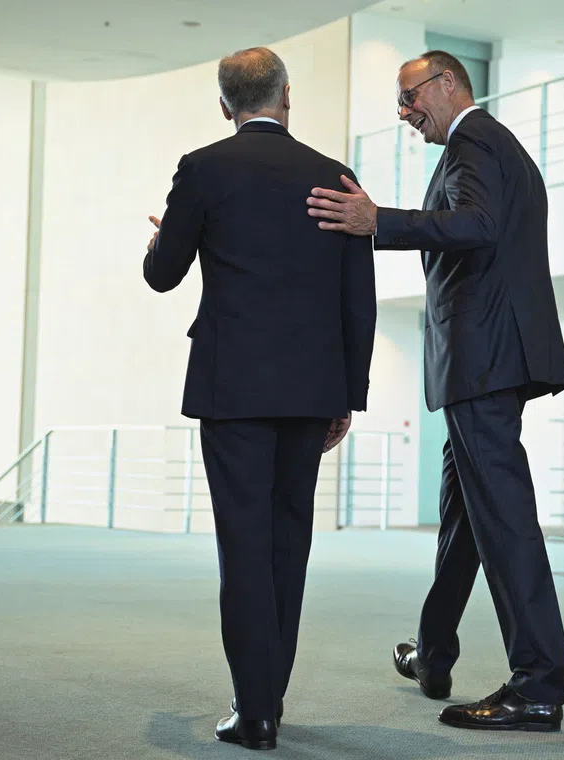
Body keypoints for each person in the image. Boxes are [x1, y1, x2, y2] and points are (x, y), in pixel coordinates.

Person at [306, 50, 564, 732]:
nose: (404, 112)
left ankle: (537, 685)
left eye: (410, 96)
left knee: (504, 521)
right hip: (482, 364)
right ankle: (433, 652)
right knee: (465, 521)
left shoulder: (474, 140)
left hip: (483, 363)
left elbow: (477, 227)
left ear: (447, 83)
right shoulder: (481, 145)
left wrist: (378, 221)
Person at [145, 47, 376, 751]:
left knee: (243, 548)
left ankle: (257, 714)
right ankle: (270, 693)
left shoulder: (204, 167)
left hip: (234, 388)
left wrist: (166, 238)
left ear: (225, 105)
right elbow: (355, 298)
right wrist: (349, 395)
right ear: (285, 96)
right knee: (288, 543)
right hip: (311, 390)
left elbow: (162, 276)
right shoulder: (334, 176)